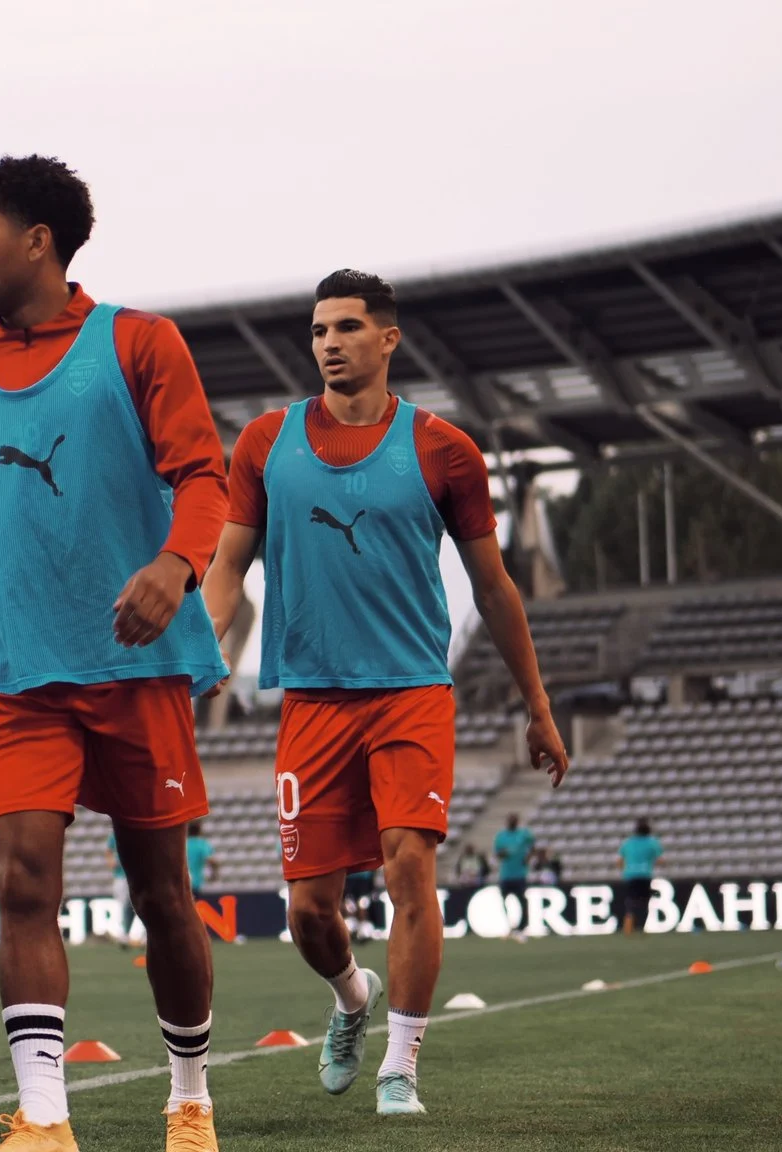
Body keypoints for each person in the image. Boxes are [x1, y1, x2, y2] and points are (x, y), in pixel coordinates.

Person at [202, 270, 569, 1117]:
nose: (329, 342)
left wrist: (538, 707)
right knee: (308, 913)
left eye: (347, 327)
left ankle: (400, 1063)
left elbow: (496, 589)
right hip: (312, 701)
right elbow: (228, 564)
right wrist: (205, 645)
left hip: (411, 692)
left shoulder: (445, 449)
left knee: (411, 866)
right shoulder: (265, 441)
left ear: (388, 338)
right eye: (319, 329)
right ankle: (351, 998)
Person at [0, 155, 229, 1152]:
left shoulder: (138, 342)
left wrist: (175, 565)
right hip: (11, 674)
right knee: (21, 881)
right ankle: (44, 1119)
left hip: (133, 666)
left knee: (160, 891)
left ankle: (188, 1094)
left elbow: (202, 476)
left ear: (37, 242)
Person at [491, 815, 535, 934]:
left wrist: (528, 857)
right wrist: (502, 853)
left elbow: (533, 846)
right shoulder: (501, 836)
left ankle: (522, 926)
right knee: (505, 900)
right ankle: (509, 925)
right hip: (506, 875)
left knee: (522, 901)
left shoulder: (524, 834)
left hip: (520, 874)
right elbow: (497, 854)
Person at [619, 818, 664, 935]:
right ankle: (641, 926)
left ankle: (629, 924)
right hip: (645, 875)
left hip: (630, 876)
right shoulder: (652, 842)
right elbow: (660, 860)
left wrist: (627, 868)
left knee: (630, 900)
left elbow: (619, 861)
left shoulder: (628, 842)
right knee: (644, 902)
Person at [186, 822, 220, 898]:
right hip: (195, 883)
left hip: (181, 883)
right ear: (200, 831)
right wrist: (214, 874)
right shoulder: (202, 844)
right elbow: (212, 861)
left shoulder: (183, 844)